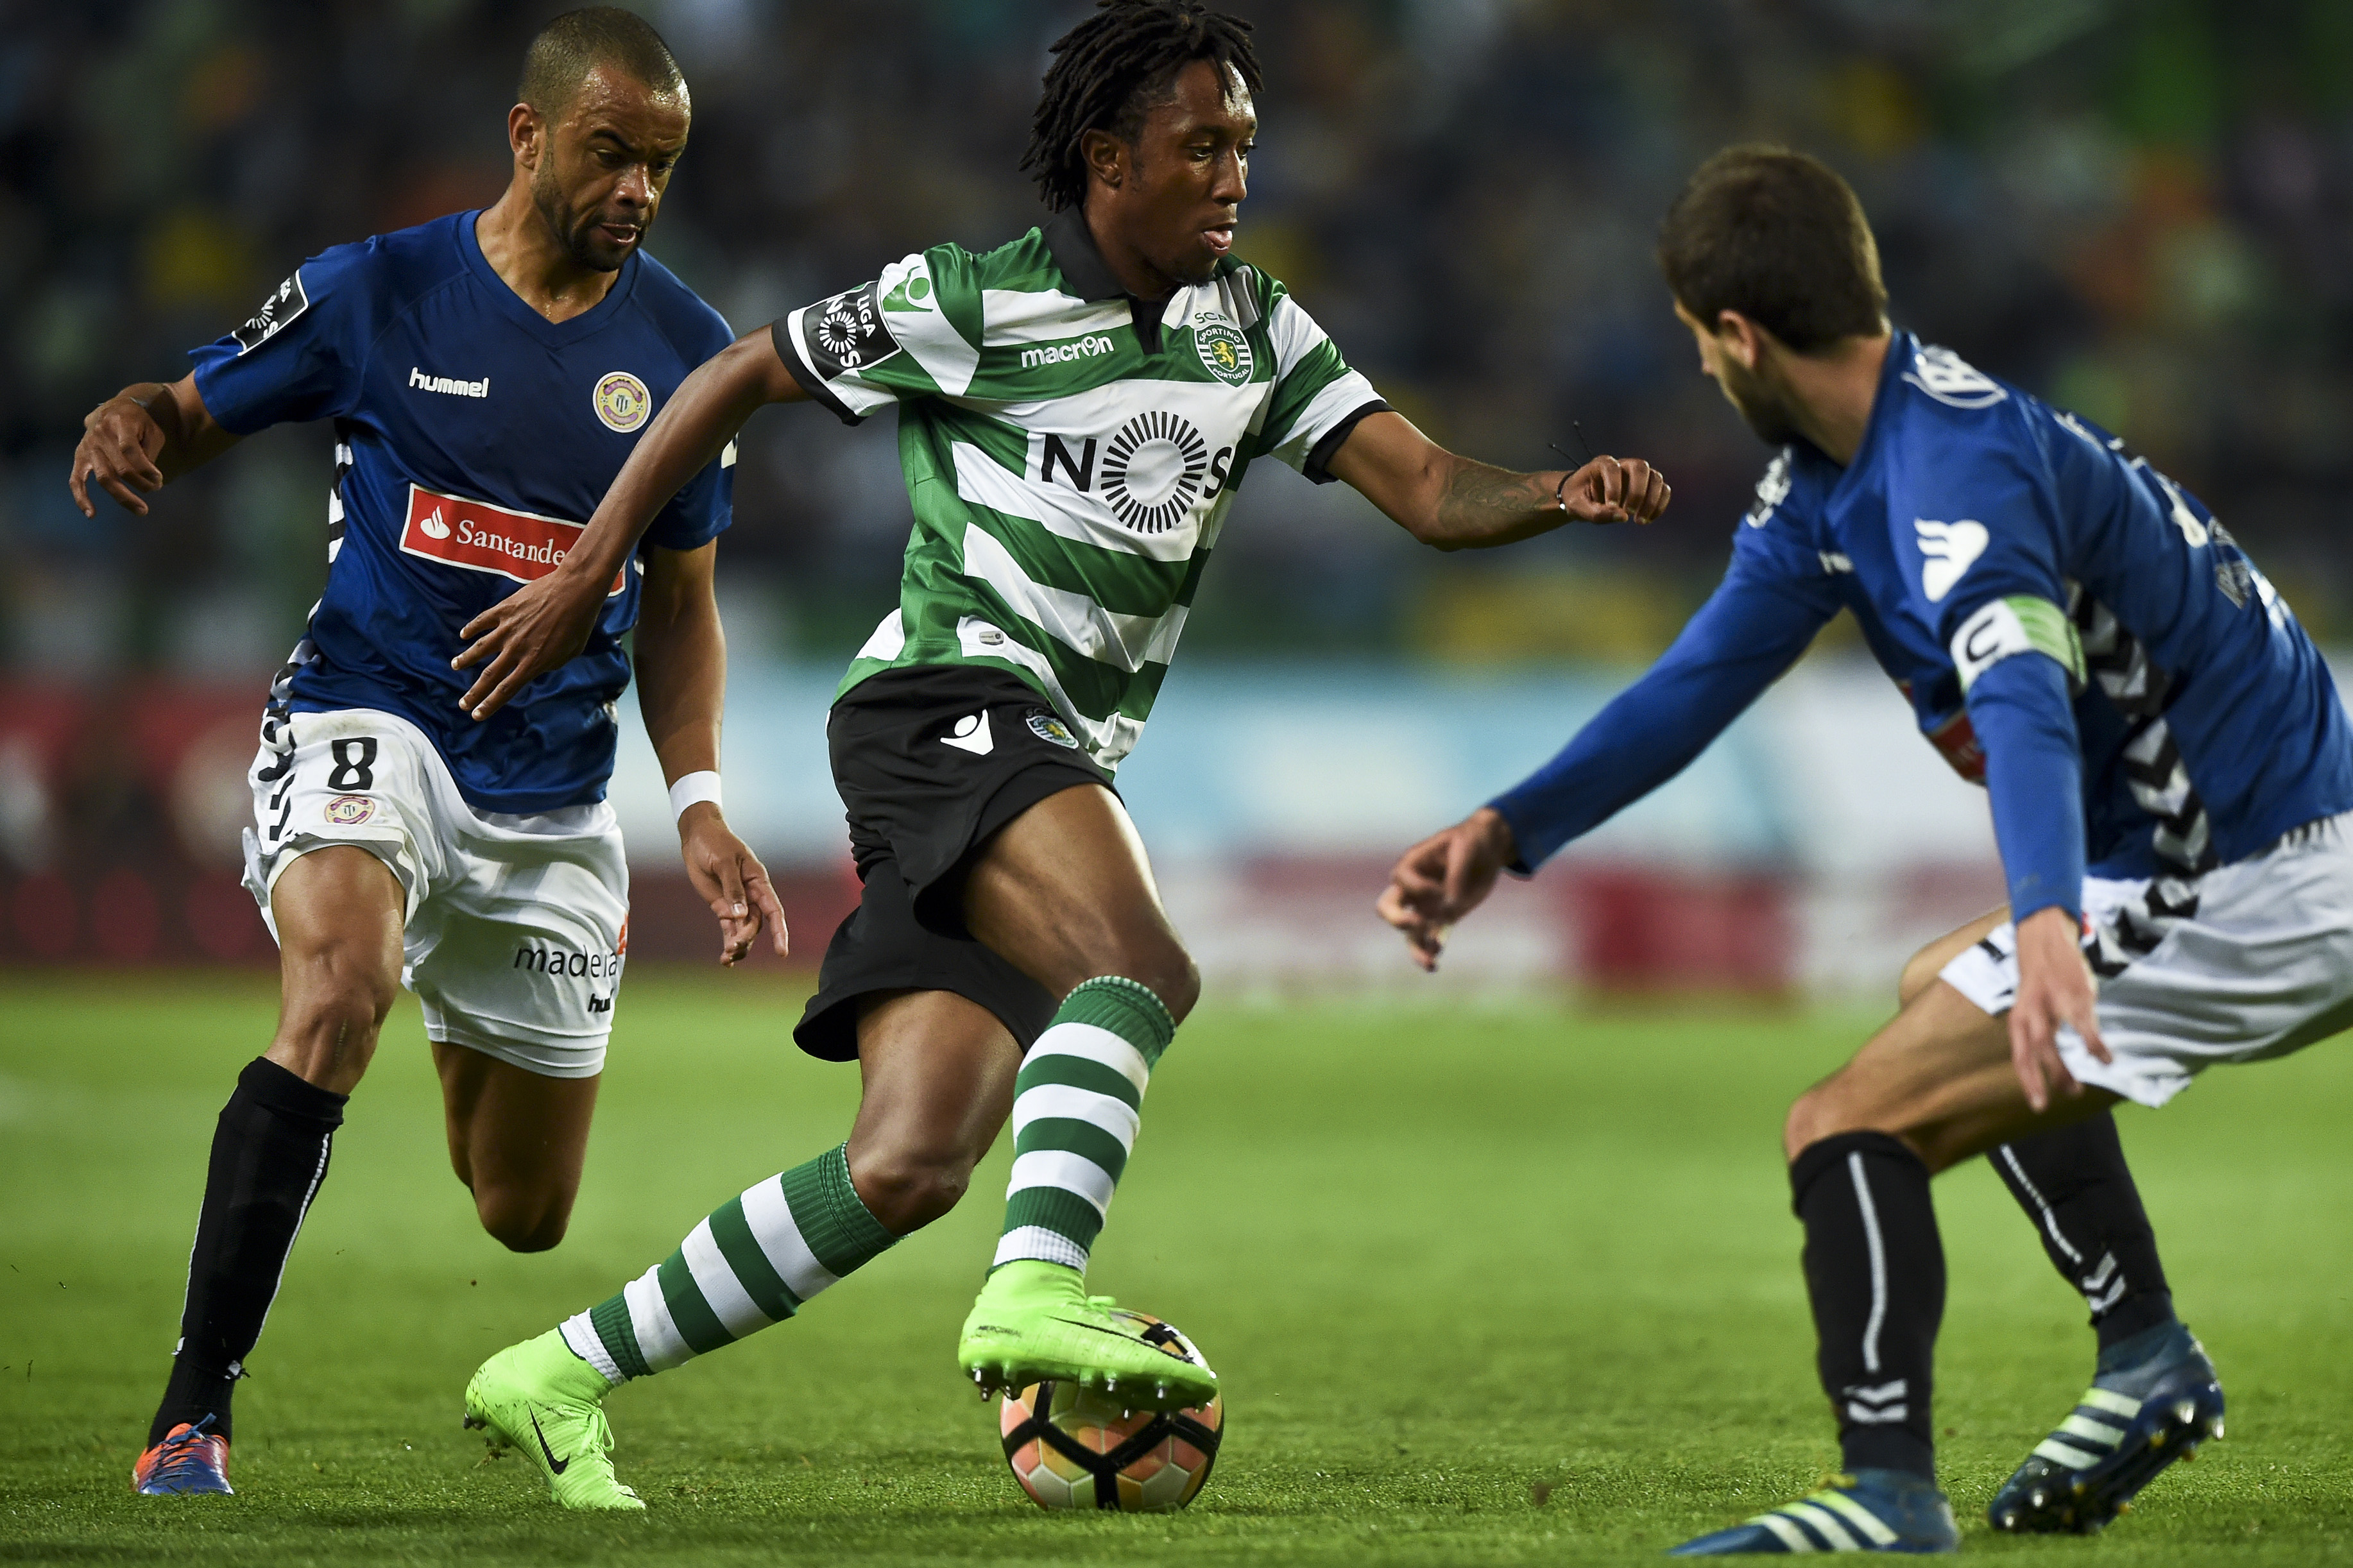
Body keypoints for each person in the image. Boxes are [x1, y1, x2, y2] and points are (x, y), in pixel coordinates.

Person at [445, 0, 1670, 1513]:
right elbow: (738, 375)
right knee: (1143, 965)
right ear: (1107, 159)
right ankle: (1035, 1286)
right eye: (1201, 147)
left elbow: (1423, 487)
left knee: (906, 1163)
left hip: (1038, 747)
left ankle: (555, 1370)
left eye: (1245, 148)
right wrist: (589, 566)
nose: (1234, 176)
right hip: (944, 701)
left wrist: (1557, 487)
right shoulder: (970, 300)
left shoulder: (1256, 328)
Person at [1379, 144, 2353, 1553]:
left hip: (2250, 878)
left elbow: (2018, 694)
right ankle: (2143, 1352)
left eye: (1696, 344)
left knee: (1840, 1122)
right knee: (1925, 986)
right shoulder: (1840, 478)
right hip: (2238, 849)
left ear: (1738, 334)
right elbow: (1692, 686)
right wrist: (1504, 830)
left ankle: (1890, 1493)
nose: (1703, 373)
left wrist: (2045, 921)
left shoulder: (1948, 475)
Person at [69, 9, 782, 1498]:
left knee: (522, 1211)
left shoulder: (689, 354)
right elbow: (188, 412)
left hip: (551, 795)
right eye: (611, 155)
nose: (639, 193)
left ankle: (429, 992)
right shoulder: (380, 291)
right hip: (367, 711)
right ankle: (191, 1414)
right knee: (337, 988)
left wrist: (700, 800)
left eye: (662, 165)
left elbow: (684, 608)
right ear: (528, 136)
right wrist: (130, 421)